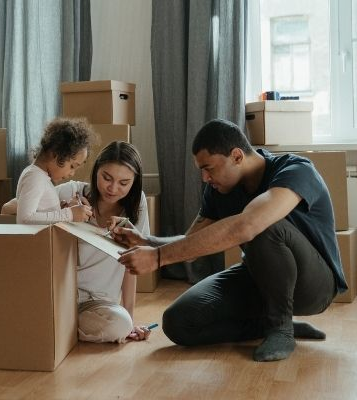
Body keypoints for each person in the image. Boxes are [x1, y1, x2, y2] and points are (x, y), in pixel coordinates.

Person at [114, 118, 348, 361]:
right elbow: (192, 243)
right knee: (178, 323)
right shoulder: (218, 189)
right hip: (259, 278)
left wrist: (158, 258)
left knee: (262, 224)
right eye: (201, 170)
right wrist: (147, 242)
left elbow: (249, 225)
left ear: (237, 156)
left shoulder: (296, 170)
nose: (204, 178)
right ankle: (267, 325)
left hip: (314, 287)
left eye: (209, 168)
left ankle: (281, 328)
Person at [4, 141, 154, 343]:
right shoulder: (72, 192)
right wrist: (63, 211)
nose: (112, 188)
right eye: (106, 178)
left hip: (98, 304)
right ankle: (56, 325)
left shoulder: (137, 206)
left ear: (134, 182)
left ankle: (54, 326)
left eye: (124, 183)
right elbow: (9, 208)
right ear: (96, 171)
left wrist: (130, 319)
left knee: (121, 325)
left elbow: (132, 264)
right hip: (60, 295)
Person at [15, 117, 94, 224]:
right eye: (72, 166)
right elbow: (24, 219)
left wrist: (59, 209)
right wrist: (69, 214)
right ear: (55, 153)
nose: (72, 173)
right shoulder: (35, 177)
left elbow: (40, 213)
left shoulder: (40, 177)